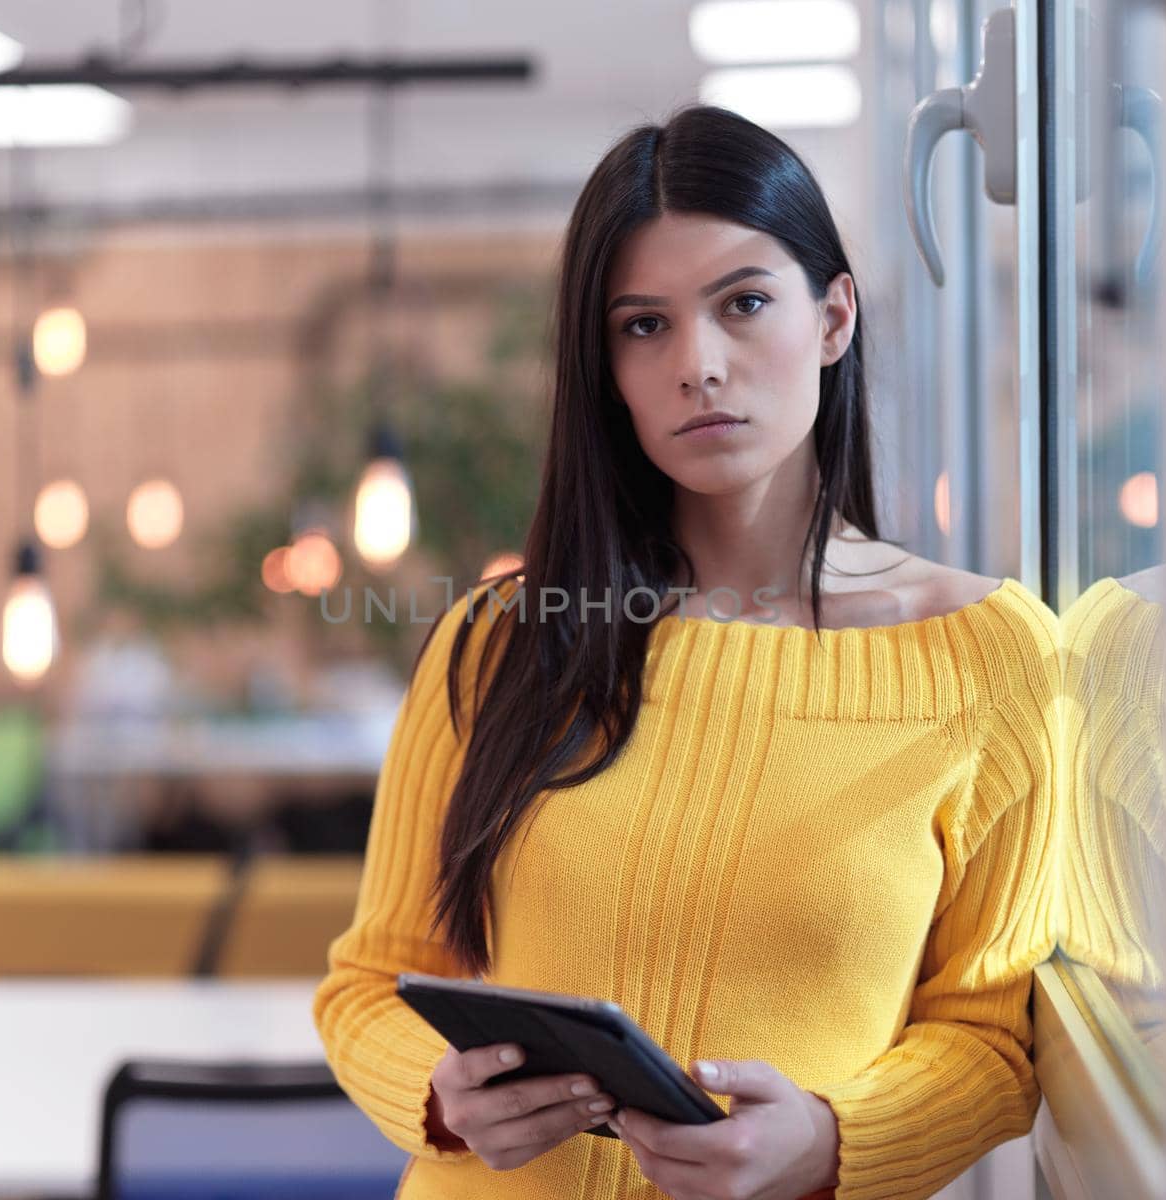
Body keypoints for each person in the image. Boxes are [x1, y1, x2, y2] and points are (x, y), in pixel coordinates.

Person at [312, 104, 1061, 1200]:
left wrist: (827, 1138)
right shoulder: (498, 643)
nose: (697, 365)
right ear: (604, 367)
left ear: (834, 317)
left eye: (744, 304)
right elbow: (367, 982)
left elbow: (993, 1041)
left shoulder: (991, 657)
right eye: (643, 326)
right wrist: (440, 1090)